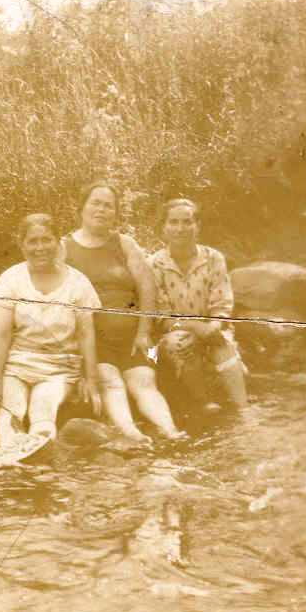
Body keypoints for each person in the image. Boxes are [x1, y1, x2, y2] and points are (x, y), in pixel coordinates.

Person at [62, 181, 184, 443]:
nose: (101, 210)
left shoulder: (125, 243)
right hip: (92, 339)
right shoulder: (64, 248)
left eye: (108, 206)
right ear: (81, 207)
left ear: (116, 213)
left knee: (145, 381)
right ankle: (131, 434)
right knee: (110, 381)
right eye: (95, 203)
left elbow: (147, 288)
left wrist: (144, 332)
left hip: (135, 336)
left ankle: (171, 431)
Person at [0, 213, 101, 452]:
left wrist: (90, 379)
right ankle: (9, 454)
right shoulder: (11, 279)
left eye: (47, 240)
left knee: (42, 407)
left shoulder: (78, 282)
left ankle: (38, 451)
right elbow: (1, 333)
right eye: (32, 241)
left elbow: (86, 334)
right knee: (12, 408)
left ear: (58, 242)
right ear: (22, 245)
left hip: (58, 367)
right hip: (17, 364)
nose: (40, 248)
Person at [148, 198, 247, 408]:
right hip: (174, 332)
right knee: (178, 343)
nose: (180, 229)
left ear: (198, 225)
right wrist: (195, 327)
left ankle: (243, 409)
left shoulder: (213, 259)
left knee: (221, 343)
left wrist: (212, 327)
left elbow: (222, 305)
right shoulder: (154, 264)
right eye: (173, 222)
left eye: (187, 222)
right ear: (164, 227)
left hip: (211, 327)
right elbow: (161, 318)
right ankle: (205, 403)